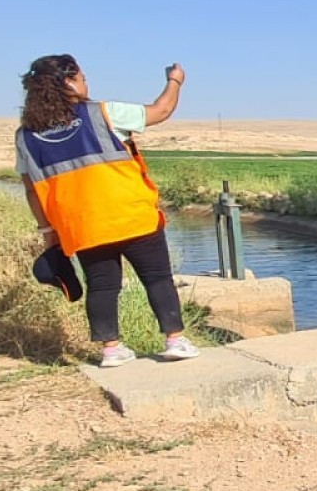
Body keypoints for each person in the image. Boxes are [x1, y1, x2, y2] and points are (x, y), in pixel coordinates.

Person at [14, 54, 198, 368]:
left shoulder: (26, 137)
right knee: (157, 278)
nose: (87, 83)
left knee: (101, 285)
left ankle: (111, 350)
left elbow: (32, 189)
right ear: (69, 82)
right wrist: (175, 80)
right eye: (83, 77)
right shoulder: (103, 113)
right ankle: (175, 340)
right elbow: (161, 110)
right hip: (132, 215)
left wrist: (49, 234)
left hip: (84, 226)